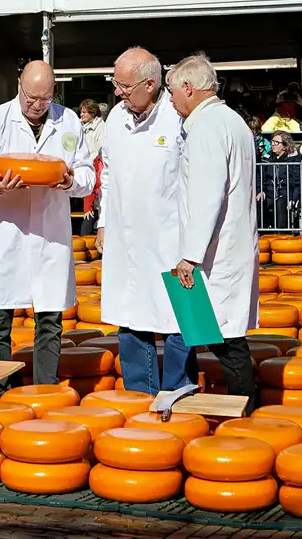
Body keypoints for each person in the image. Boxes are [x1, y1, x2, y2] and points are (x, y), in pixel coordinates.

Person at [0, 60, 94, 390]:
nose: (38, 105)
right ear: (19, 85)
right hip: (4, 231)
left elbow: (87, 174)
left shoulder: (69, 122)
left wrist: (70, 182)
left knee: (50, 317)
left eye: (45, 98)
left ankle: (46, 389)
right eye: (31, 97)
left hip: (50, 235)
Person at [96, 47, 196, 395]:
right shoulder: (115, 120)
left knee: (180, 319)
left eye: (123, 85)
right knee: (131, 317)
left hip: (173, 239)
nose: (117, 92)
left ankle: (180, 394)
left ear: (150, 83)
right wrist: (103, 223)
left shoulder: (179, 117)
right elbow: (107, 174)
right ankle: (140, 396)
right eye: (115, 83)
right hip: (126, 240)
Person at [167, 53, 257, 412]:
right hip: (228, 244)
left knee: (225, 339)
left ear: (189, 88)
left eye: (173, 92)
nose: (171, 101)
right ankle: (243, 408)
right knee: (222, 335)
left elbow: (207, 194)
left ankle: (244, 413)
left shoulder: (206, 127)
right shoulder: (231, 121)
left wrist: (190, 254)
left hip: (215, 250)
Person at [259, 131, 301, 230]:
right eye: (272, 141)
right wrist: (260, 190)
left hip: (285, 194)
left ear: (285, 146)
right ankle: (261, 234)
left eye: (276, 142)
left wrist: (294, 199)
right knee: (258, 201)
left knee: (280, 203)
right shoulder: (267, 159)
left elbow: (298, 181)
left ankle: (280, 235)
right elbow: (261, 177)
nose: (273, 144)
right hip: (269, 192)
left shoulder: (293, 159)